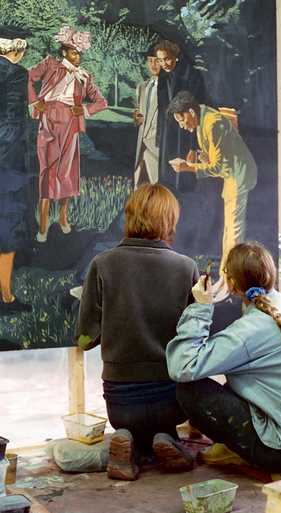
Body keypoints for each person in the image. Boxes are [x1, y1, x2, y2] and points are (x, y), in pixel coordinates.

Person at [166, 241, 281, 474]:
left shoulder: (250, 330)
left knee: (190, 390)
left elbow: (183, 366)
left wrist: (201, 306)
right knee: (238, 381)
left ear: (232, 284)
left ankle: (248, 455)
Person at [76, 183, 199, 480]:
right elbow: (197, 339)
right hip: (170, 398)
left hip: (121, 401)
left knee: (128, 426)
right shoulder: (186, 267)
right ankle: (164, 440)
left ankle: (128, 442)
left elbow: (85, 339)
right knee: (167, 427)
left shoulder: (102, 264)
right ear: (170, 220)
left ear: (129, 216)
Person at [28, 26, 107, 242]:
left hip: (71, 124)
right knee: (47, 170)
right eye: (73, 53)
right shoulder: (50, 64)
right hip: (49, 121)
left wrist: (85, 110)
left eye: (79, 53)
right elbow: (28, 77)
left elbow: (102, 102)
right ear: (64, 52)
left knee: (67, 172)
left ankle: (63, 219)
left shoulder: (84, 76)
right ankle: (43, 226)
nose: (77, 57)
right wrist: (35, 101)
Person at [168, 91, 258, 273]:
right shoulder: (203, 118)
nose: (182, 126)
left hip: (238, 175)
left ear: (191, 113)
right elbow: (216, 156)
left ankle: (232, 277)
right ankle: (227, 274)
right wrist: (198, 159)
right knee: (229, 229)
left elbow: (219, 168)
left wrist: (188, 167)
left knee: (234, 230)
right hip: (232, 175)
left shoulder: (213, 124)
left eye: (181, 120)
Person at [0, 27, 32, 314]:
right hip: (6, 165)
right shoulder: (15, 73)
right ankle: (6, 296)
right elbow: (12, 123)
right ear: (15, 50)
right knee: (7, 229)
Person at [155, 40, 205, 192]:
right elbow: (161, 108)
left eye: (167, 59)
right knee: (167, 174)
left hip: (185, 131)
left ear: (176, 57)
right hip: (167, 131)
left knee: (185, 173)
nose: (164, 63)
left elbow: (197, 113)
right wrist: (159, 136)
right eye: (160, 60)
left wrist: (194, 146)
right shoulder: (163, 76)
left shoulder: (192, 75)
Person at [133, 47, 161, 188]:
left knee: (157, 188)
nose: (153, 65)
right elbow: (139, 110)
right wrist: (136, 116)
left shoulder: (168, 88)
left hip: (157, 146)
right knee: (140, 185)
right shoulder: (142, 87)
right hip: (142, 145)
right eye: (150, 61)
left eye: (156, 61)